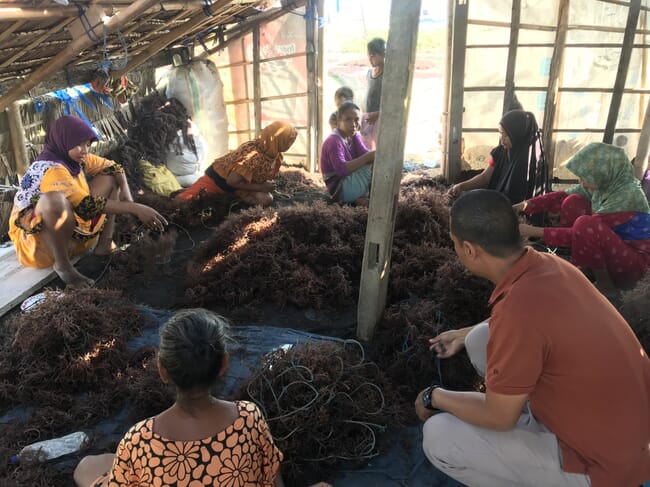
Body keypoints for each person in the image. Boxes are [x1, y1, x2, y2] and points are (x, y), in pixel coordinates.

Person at [415, 189, 650, 487]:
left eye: (454, 245)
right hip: (629, 429)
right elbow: (528, 316)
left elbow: (500, 417)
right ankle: (535, 421)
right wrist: (463, 334)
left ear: (469, 249)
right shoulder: (550, 265)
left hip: (604, 465)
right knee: (479, 338)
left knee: (440, 436)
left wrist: (433, 396)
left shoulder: (517, 312)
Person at [74, 308, 285, 487]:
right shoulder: (249, 416)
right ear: (224, 364)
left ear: (162, 370)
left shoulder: (138, 440)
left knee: (86, 468)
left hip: (139, 460)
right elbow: (272, 475)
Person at [8, 115, 166, 288]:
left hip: (72, 237)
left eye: (87, 144)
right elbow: (85, 205)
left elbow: (114, 167)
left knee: (109, 177)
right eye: (79, 144)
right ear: (64, 141)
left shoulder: (76, 158)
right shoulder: (52, 168)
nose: (84, 150)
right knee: (53, 200)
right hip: (38, 247)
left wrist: (128, 198)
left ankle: (105, 245)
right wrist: (135, 208)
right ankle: (63, 265)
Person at [516, 142, 650, 291]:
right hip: (616, 251)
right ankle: (583, 264)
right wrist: (523, 206)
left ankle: (606, 286)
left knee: (585, 224)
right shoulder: (608, 184)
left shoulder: (626, 198)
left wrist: (530, 231)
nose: (582, 182)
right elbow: (560, 196)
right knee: (573, 200)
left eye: (586, 178)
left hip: (634, 266)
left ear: (604, 172)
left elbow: (582, 232)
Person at [177, 121, 297, 206]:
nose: (290, 144)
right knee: (182, 202)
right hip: (219, 181)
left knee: (266, 199)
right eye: (288, 140)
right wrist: (261, 187)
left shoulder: (275, 154)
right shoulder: (254, 156)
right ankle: (188, 192)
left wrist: (262, 185)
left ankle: (232, 196)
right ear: (276, 139)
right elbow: (231, 181)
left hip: (240, 184)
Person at [448, 109, 547, 204]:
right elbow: (485, 177)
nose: (502, 139)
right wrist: (461, 186)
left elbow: (532, 198)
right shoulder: (500, 152)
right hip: (498, 208)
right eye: (500, 133)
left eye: (506, 135)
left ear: (517, 135)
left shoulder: (532, 161)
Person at [320, 101, 375, 205]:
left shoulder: (353, 136)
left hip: (348, 182)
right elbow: (341, 170)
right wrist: (368, 157)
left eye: (357, 119)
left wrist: (371, 156)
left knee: (373, 161)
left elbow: (364, 153)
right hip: (339, 189)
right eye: (348, 119)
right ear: (338, 121)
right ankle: (356, 198)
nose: (353, 124)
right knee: (370, 165)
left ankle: (358, 198)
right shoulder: (333, 141)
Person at [360, 38, 385, 150]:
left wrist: (379, 114)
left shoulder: (387, 74)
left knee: (378, 147)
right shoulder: (369, 73)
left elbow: (391, 101)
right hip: (367, 116)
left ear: (382, 54)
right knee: (365, 147)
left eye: (373, 55)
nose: (370, 59)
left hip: (378, 118)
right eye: (369, 55)